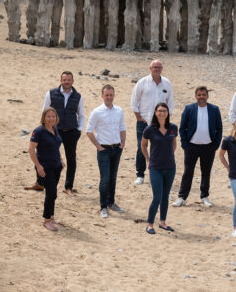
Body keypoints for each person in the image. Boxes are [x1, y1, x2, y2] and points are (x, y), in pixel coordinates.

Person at [28, 71, 85, 194]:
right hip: (53, 131)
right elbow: (45, 111)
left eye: (69, 80)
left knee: (71, 159)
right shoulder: (51, 93)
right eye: (64, 80)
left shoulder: (78, 96)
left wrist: (79, 130)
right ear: (61, 81)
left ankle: (68, 187)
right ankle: (40, 183)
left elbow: (81, 115)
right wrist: (45, 128)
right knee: (43, 156)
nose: (66, 82)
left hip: (71, 131)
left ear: (72, 81)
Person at [174, 86, 223, 208]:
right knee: (188, 172)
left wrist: (215, 145)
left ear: (207, 96)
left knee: (206, 172)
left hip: (208, 147)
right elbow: (182, 128)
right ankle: (182, 197)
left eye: (204, 94)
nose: (201, 97)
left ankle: (204, 196)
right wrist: (185, 144)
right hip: (191, 146)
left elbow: (219, 128)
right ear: (195, 96)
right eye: (199, 95)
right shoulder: (189, 108)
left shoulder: (214, 109)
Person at [85, 85, 126, 218]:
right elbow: (89, 131)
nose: (109, 97)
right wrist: (98, 146)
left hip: (117, 148)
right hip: (104, 149)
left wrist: (123, 143)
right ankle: (103, 207)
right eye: (106, 95)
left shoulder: (119, 110)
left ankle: (111, 203)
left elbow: (122, 128)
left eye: (111, 95)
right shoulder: (97, 112)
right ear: (102, 96)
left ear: (114, 95)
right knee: (105, 179)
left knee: (113, 177)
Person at [131, 60, 173, 185]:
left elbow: (170, 103)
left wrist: (166, 120)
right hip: (144, 121)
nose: (156, 69)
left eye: (159, 67)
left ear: (162, 69)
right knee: (141, 147)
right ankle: (140, 174)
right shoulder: (142, 82)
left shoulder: (167, 83)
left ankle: (159, 172)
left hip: (160, 122)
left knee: (161, 148)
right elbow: (134, 101)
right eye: (154, 67)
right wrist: (138, 117)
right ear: (150, 68)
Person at [141, 103, 178, 234]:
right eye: (160, 111)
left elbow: (174, 143)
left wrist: (170, 155)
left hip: (170, 167)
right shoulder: (149, 129)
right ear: (155, 112)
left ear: (168, 113)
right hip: (155, 167)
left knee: (165, 196)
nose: (162, 113)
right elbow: (143, 145)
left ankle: (162, 222)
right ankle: (150, 224)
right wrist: (148, 159)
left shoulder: (173, 128)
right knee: (157, 196)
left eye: (164, 111)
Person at [28, 107, 65, 231]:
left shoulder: (55, 129)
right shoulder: (38, 131)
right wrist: (38, 166)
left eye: (53, 116)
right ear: (44, 118)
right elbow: (31, 150)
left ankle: (51, 216)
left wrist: (60, 159)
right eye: (48, 116)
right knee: (51, 192)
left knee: (53, 192)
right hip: (45, 167)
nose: (51, 119)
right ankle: (46, 220)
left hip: (56, 166)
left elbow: (56, 146)